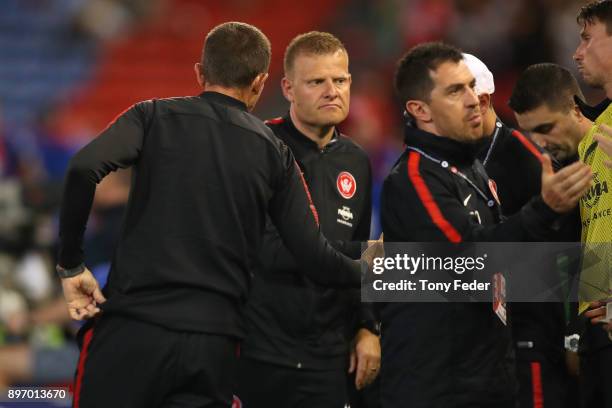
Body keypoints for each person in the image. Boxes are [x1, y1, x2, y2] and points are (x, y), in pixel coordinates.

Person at [56, 22, 366, 408]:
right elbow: (316, 258)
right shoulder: (275, 153)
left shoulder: (153, 117)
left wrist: (70, 264)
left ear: (200, 73)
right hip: (214, 348)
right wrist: (382, 271)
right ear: (260, 83)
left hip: (135, 330)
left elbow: (84, 168)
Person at [379, 42, 592, 408]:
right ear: (420, 110)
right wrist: (544, 210)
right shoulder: (413, 180)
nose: (472, 98)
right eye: (455, 90)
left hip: (487, 374)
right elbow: (468, 263)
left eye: (471, 86)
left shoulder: (471, 169)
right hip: (440, 385)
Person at [234, 31, 380, 408]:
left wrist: (367, 326)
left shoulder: (357, 161)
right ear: (288, 88)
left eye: (341, 80)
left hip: (331, 356)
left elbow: (362, 253)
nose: (332, 91)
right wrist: (358, 260)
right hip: (262, 353)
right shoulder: (257, 148)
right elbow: (264, 249)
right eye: (317, 81)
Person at [467, 56, 579, 408]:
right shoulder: (447, 163)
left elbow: (572, 249)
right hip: (485, 340)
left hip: (534, 333)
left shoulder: (527, 159)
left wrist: (573, 335)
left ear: (482, 102)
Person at [509, 60, 612, 408]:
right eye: (530, 133)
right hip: (591, 334)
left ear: (574, 107)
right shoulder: (553, 177)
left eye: (546, 127)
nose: (540, 142)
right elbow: (563, 263)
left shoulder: (607, 151)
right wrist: (573, 336)